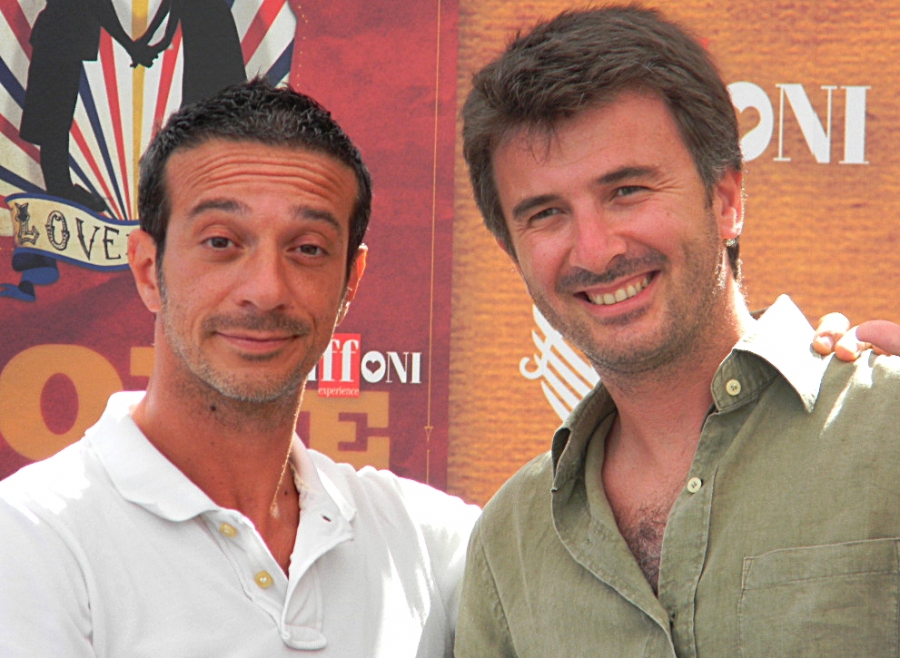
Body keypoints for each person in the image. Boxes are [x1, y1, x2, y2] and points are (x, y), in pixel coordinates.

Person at [455, 6, 900, 657]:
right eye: (546, 213)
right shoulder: (509, 545)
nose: (596, 250)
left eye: (627, 190)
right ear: (513, 251)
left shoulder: (885, 429)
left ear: (726, 201)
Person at [0, 79, 479, 657]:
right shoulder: (31, 536)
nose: (266, 290)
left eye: (307, 248)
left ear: (350, 283)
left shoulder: (427, 543)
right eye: (222, 241)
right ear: (149, 270)